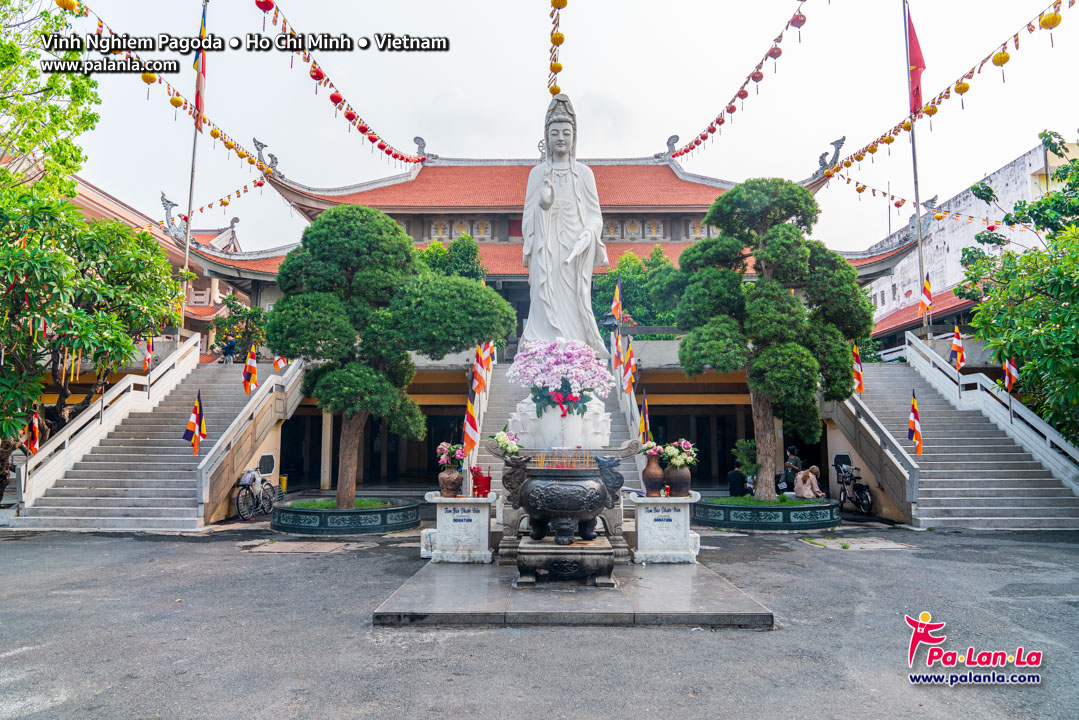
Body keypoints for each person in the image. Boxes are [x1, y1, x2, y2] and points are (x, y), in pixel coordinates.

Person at [520, 94, 609, 356]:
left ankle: (577, 351)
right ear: (546, 137)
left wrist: (588, 234)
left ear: (574, 137)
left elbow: (595, 215)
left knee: (575, 300)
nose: (560, 138)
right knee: (544, 296)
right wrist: (544, 206)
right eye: (555, 132)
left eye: (566, 133)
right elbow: (528, 217)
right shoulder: (537, 174)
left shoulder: (584, 174)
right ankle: (543, 350)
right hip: (545, 250)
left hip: (575, 250)